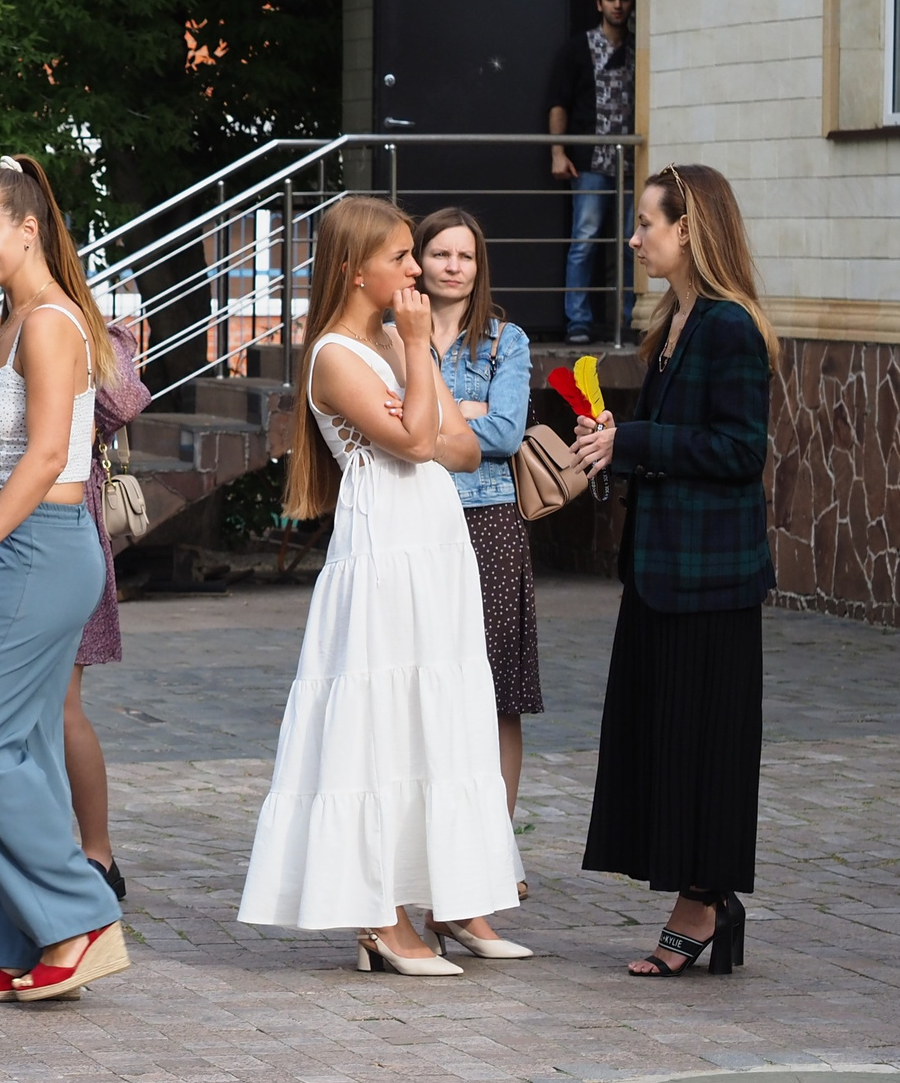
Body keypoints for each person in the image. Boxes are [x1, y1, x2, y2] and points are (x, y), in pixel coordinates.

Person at [237, 195, 526, 972]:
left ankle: (441, 899)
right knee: (381, 724)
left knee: (433, 721)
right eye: (399, 256)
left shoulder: (400, 346)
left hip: (434, 544)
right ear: (350, 268)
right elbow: (415, 438)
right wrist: (421, 368)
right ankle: (380, 913)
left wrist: (419, 365)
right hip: (384, 548)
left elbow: (464, 451)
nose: (415, 269)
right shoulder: (337, 354)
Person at [0, 156, 126, 1004]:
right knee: (25, 745)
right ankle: (34, 936)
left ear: (27, 229)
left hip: (41, 544)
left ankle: (81, 915)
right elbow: (32, 428)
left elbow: (51, 454)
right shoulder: (18, 321)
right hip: (37, 546)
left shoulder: (49, 320)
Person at [573, 163, 775, 978]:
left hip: (712, 578)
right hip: (661, 570)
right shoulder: (676, 322)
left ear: (687, 228)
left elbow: (739, 452)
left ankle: (704, 900)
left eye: (647, 224)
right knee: (661, 740)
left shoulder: (729, 326)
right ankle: (700, 896)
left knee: (706, 747)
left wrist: (637, 443)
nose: (633, 238)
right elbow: (673, 440)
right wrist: (615, 445)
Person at [0, 323, 150, 902]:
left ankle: (93, 856)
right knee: (21, 721)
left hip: (50, 526)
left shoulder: (71, 326)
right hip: (3, 527)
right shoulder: (10, 327)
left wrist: (94, 346)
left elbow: (109, 412)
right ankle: (48, 867)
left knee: (57, 709)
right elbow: (17, 432)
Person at [416, 208, 543, 828]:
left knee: (496, 692)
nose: (454, 267)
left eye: (465, 256)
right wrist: (464, 413)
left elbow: (507, 430)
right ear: (420, 260)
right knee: (426, 686)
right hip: (413, 517)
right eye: (442, 254)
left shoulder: (505, 340)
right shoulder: (394, 335)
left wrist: (427, 424)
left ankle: (497, 843)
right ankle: (436, 837)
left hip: (488, 520)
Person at [546, 0, 638, 345]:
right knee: (584, 240)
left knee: (638, 241)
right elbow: (558, 104)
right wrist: (557, 151)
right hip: (590, 163)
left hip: (636, 162)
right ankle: (578, 322)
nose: (618, 5)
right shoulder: (577, 48)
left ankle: (634, 319)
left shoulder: (639, 49)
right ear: (599, 4)